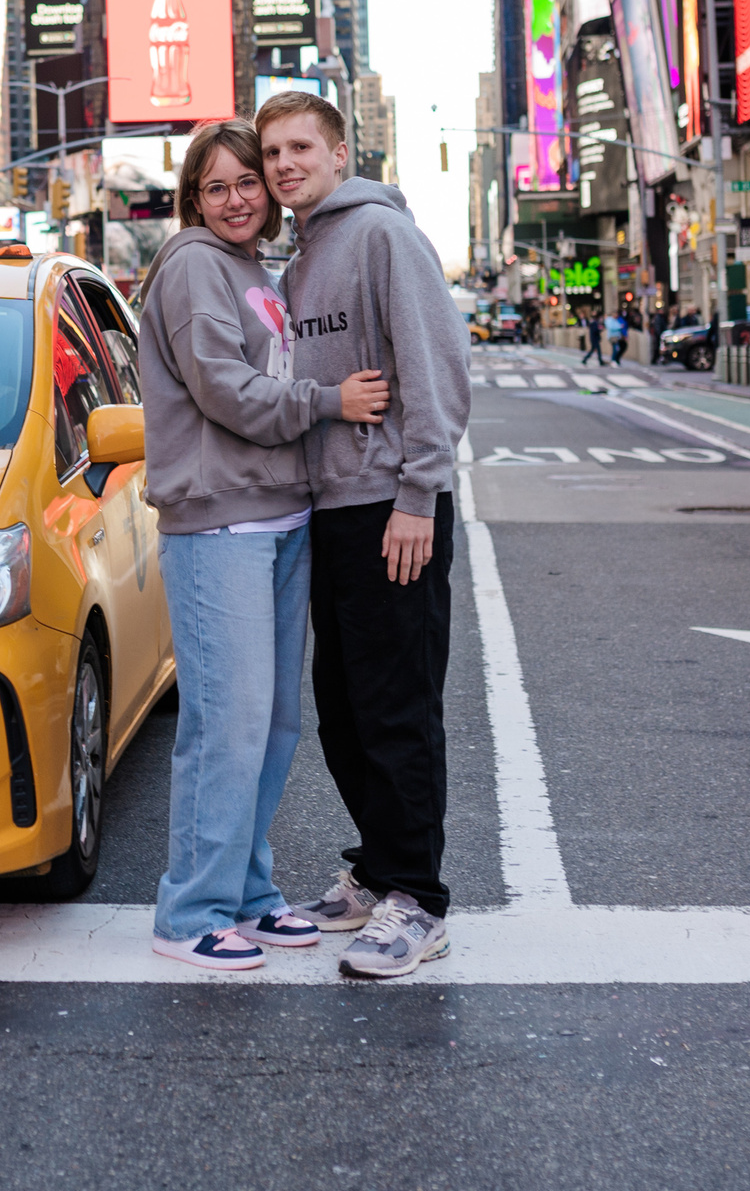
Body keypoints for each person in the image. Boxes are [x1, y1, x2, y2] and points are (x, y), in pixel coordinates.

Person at [136, 119, 390, 973]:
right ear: (193, 200)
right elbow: (227, 391)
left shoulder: (253, 268)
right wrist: (327, 401)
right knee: (227, 726)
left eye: (249, 180)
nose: (240, 197)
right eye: (218, 187)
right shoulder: (194, 266)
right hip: (219, 524)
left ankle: (245, 890)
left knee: (274, 724)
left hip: (281, 519)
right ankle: (191, 909)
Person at [256, 90, 474, 982]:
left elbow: (438, 369)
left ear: (341, 153)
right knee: (342, 709)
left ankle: (417, 900)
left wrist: (418, 494)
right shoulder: (298, 259)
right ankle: (376, 871)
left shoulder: (382, 236)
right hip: (331, 511)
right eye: (271, 153)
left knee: (396, 708)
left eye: (300, 147)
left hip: (392, 507)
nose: (283, 165)